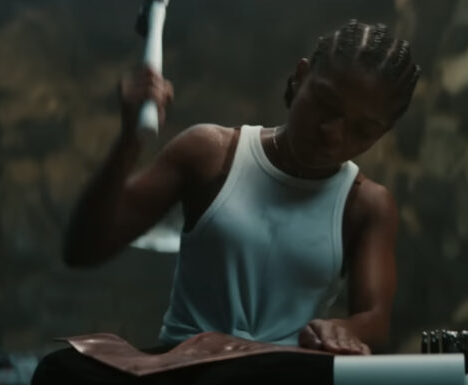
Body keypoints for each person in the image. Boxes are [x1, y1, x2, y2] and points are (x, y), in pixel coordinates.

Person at [62, 20, 420, 356]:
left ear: (382, 134)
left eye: (361, 130)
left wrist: (344, 329)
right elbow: (82, 249)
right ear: (301, 77)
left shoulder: (366, 206)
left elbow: (374, 318)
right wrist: (129, 139)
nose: (333, 133)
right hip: (184, 378)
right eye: (325, 103)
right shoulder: (210, 155)